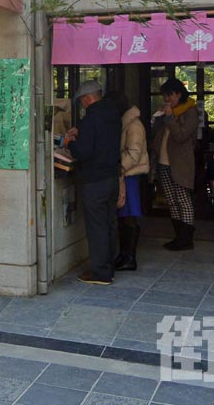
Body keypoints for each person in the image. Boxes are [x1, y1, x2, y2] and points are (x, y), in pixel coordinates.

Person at [64, 81, 121, 285]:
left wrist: (71, 143)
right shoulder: (114, 115)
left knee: (96, 227)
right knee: (109, 223)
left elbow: (84, 152)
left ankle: (101, 273)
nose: (82, 105)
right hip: (111, 177)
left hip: (94, 180)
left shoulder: (90, 119)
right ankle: (109, 266)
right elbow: (102, 141)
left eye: (81, 101)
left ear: (88, 98)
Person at [150, 78, 200, 251]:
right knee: (171, 201)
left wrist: (170, 117)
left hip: (180, 164)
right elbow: (156, 135)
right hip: (163, 162)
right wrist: (158, 118)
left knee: (183, 200)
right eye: (165, 96)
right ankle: (178, 236)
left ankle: (186, 238)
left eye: (170, 95)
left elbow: (181, 136)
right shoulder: (167, 112)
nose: (167, 99)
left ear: (179, 93)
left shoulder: (190, 112)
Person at [104, 91, 148, 272]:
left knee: (129, 215)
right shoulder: (126, 122)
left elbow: (134, 153)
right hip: (125, 173)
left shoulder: (134, 125)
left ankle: (129, 257)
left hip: (129, 174)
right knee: (124, 215)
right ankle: (124, 255)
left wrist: (118, 167)